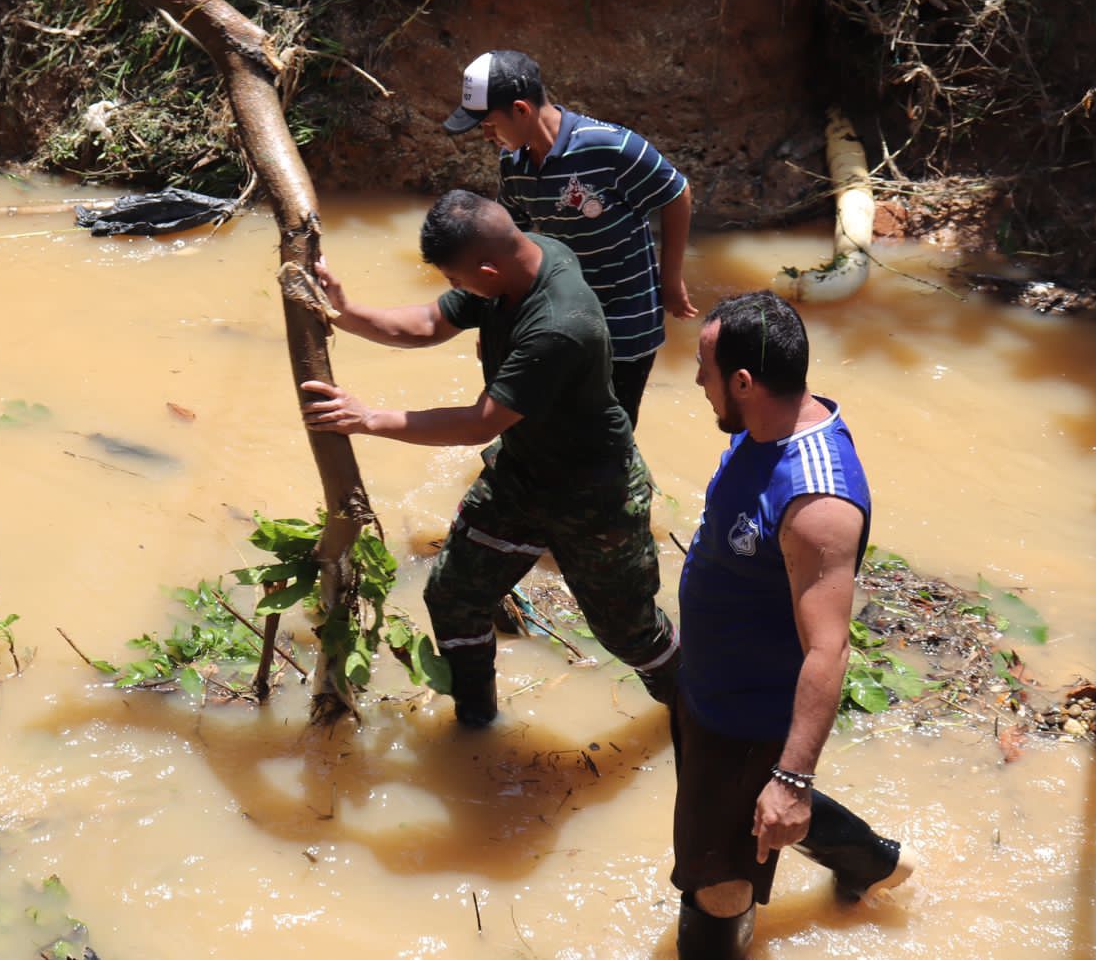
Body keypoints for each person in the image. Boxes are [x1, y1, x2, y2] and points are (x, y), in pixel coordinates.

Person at [300, 189, 680, 725]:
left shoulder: (558, 325)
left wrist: (368, 419)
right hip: (522, 474)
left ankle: (700, 712)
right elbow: (429, 324)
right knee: (453, 596)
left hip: (593, 492)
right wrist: (344, 311)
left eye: (456, 279)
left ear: (486, 268)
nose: (455, 290)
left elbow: (480, 422)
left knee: (628, 632)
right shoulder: (517, 262)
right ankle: (476, 721)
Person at [671, 291, 914, 958]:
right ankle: (871, 862)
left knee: (717, 882)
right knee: (744, 812)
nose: (696, 380)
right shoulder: (763, 428)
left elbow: (828, 650)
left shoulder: (817, 503)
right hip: (709, 688)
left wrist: (794, 779)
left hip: (747, 719)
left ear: (744, 382)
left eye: (705, 369)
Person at [444, 50, 696, 428]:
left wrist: (671, 279)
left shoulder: (610, 147)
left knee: (610, 432)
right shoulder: (513, 164)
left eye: (489, 124)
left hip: (626, 321)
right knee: (553, 429)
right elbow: (509, 243)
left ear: (521, 110)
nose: (486, 136)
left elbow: (676, 193)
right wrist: (494, 321)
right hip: (563, 319)